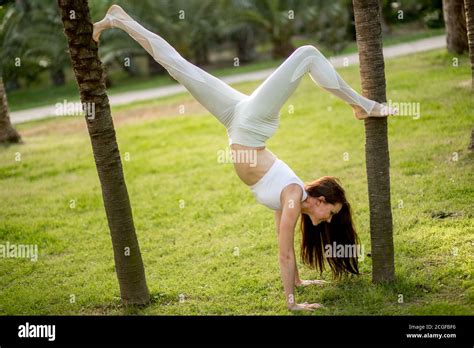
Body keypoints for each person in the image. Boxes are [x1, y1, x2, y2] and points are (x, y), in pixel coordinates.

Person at [93, 5, 396, 312]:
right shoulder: (292, 197)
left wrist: (299, 283)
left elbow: (286, 248)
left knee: (177, 67)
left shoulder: (290, 198)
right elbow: (284, 253)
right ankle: (361, 105)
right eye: (330, 213)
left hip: (236, 120)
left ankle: (120, 20)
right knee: (308, 54)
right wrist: (292, 304)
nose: (326, 220)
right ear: (318, 200)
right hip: (251, 125)